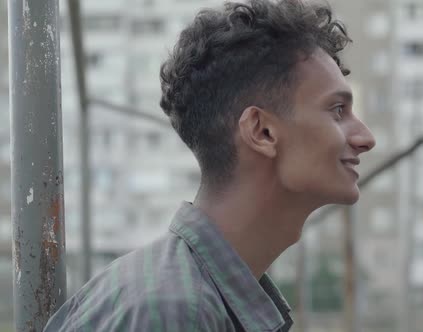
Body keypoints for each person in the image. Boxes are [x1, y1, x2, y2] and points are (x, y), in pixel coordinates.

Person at [44, 0, 375, 330]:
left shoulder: (187, 294)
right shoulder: (175, 312)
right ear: (263, 131)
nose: (365, 137)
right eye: (337, 111)